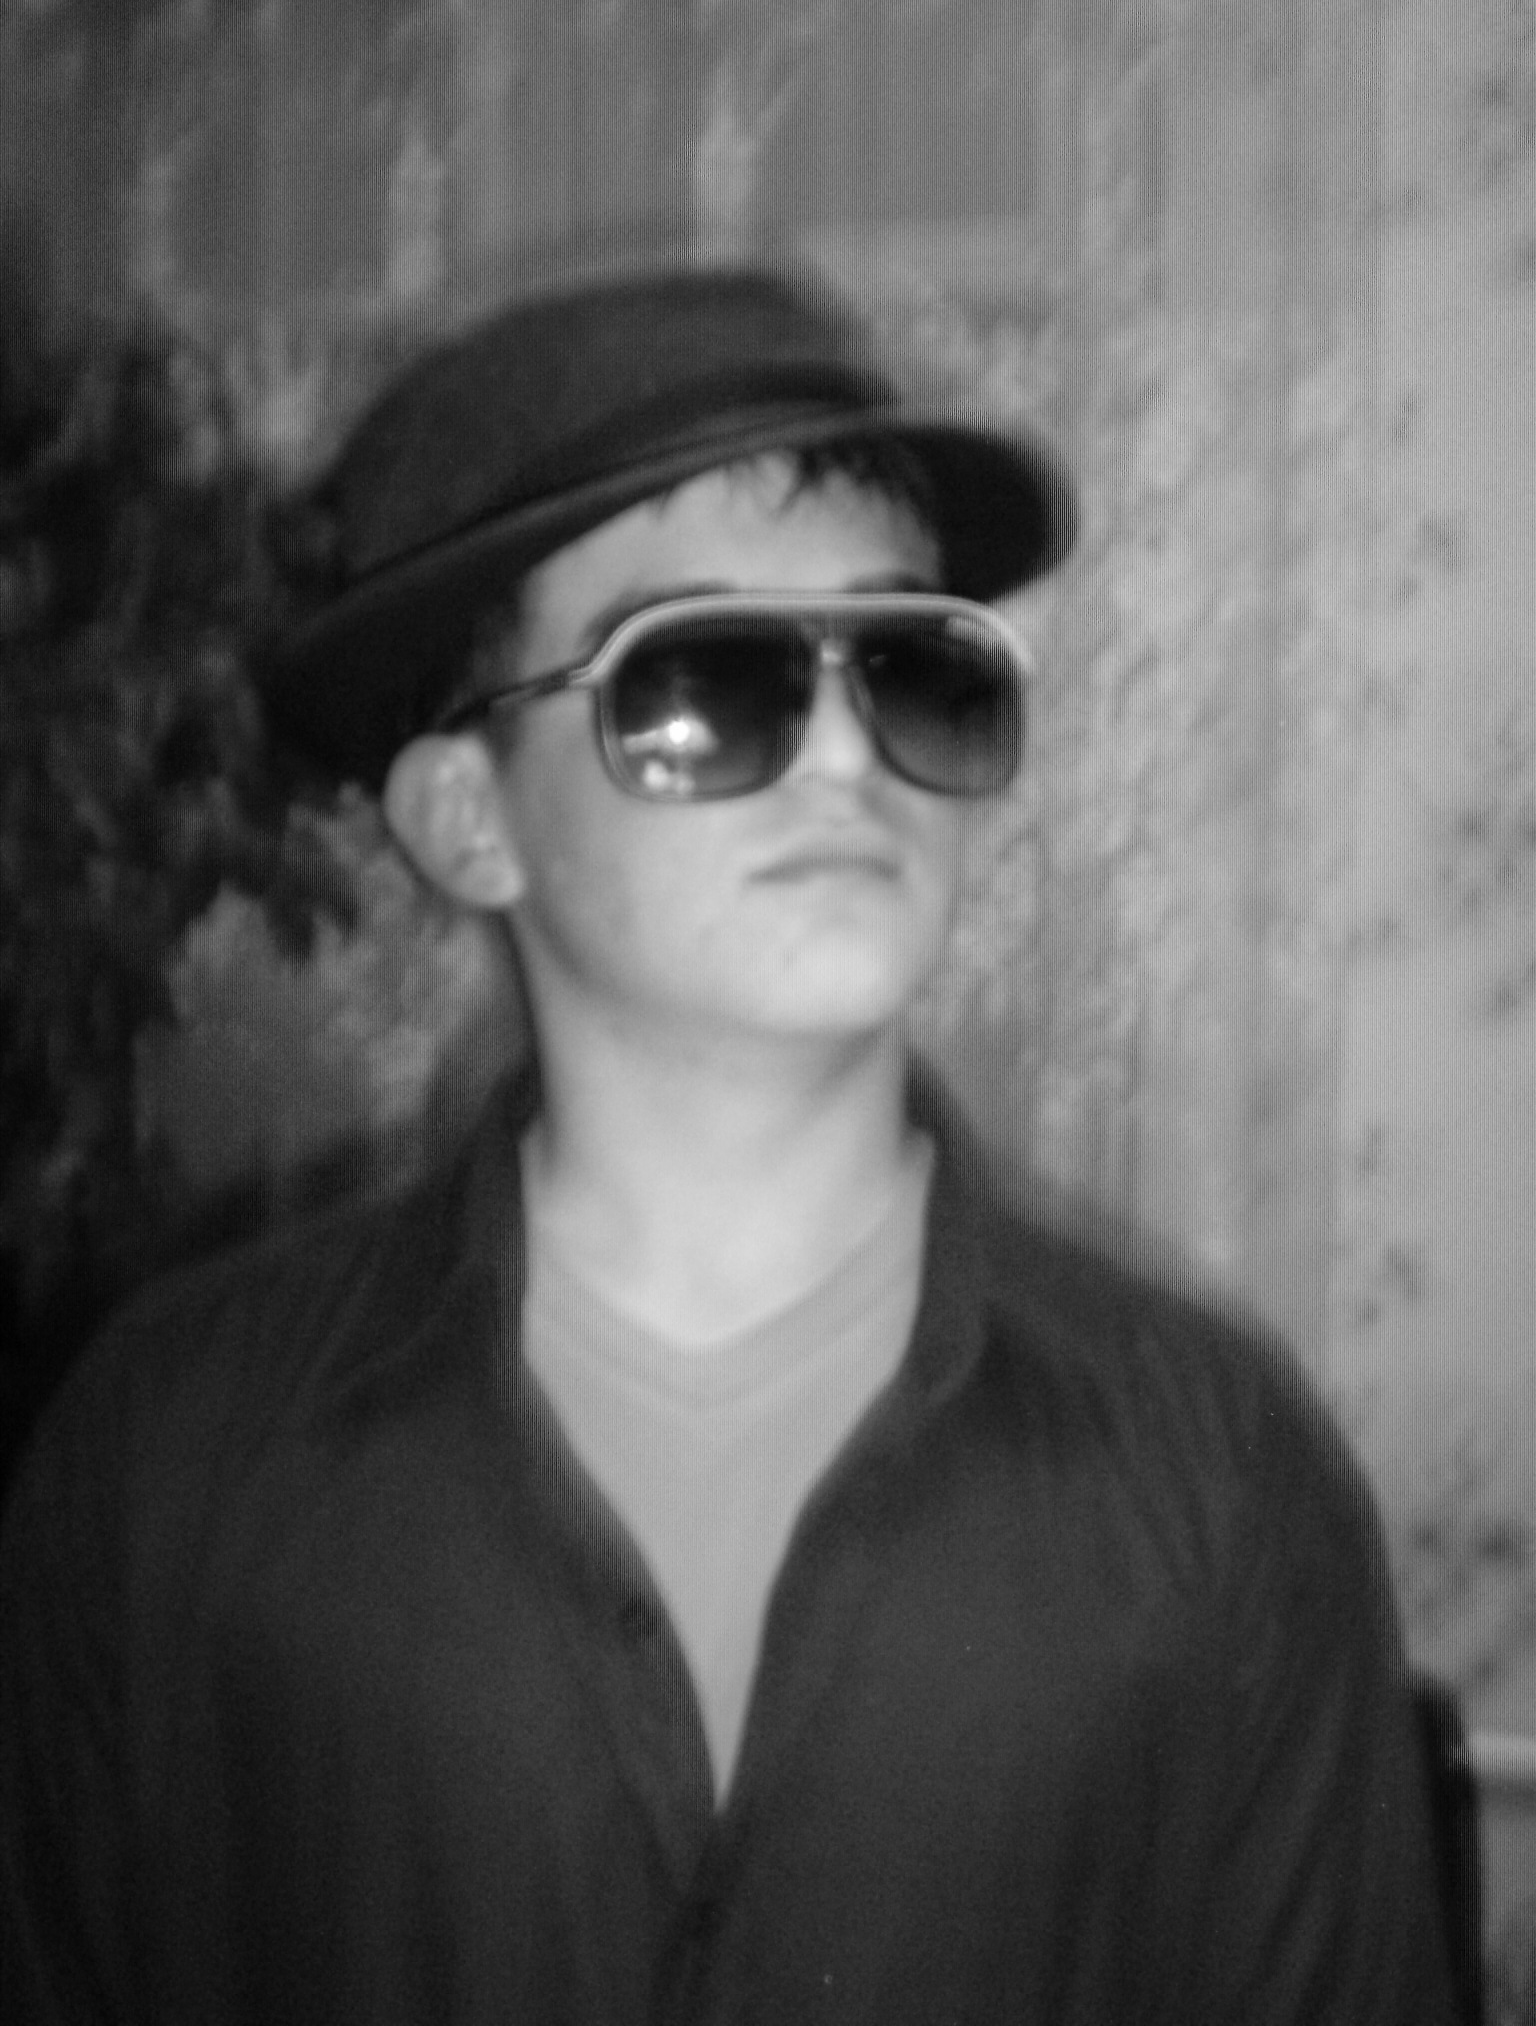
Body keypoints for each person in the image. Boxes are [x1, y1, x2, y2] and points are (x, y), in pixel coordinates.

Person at [0, 258, 1456, 2024]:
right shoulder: (164, 1466)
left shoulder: (1226, 1483)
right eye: (704, 680)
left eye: (914, 668)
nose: (849, 755)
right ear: (467, 819)